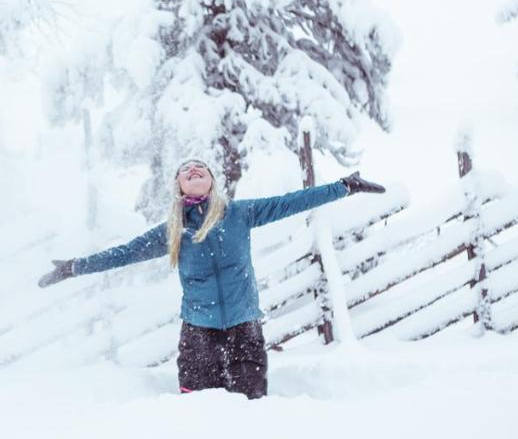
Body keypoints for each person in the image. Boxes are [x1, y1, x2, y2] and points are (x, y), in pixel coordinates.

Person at [37, 158, 386, 399]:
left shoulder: (239, 213)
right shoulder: (174, 230)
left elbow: (292, 201)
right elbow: (125, 252)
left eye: (200, 167)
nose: (193, 169)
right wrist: (74, 267)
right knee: (197, 413)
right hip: (198, 335)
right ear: (178, 185)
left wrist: (345, 186)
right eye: (186, 169)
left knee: (251, 409)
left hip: (244, 327)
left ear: (212, 181)